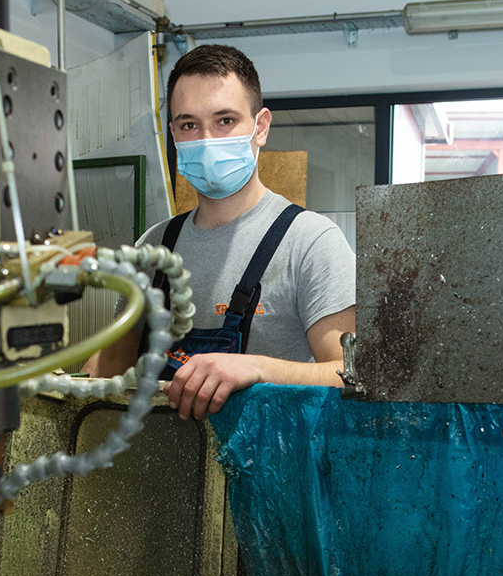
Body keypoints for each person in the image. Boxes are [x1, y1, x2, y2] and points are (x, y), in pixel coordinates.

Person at [85, 44, 355, 421]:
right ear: (174, 134)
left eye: (225, 120)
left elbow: (352, 376)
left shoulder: (311, 242)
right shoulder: (155, 247)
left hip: (268, 457)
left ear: (260, 127)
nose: (207, 141)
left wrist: (258, 369)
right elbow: (111, 364)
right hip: (160, 453)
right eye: (189, 125)